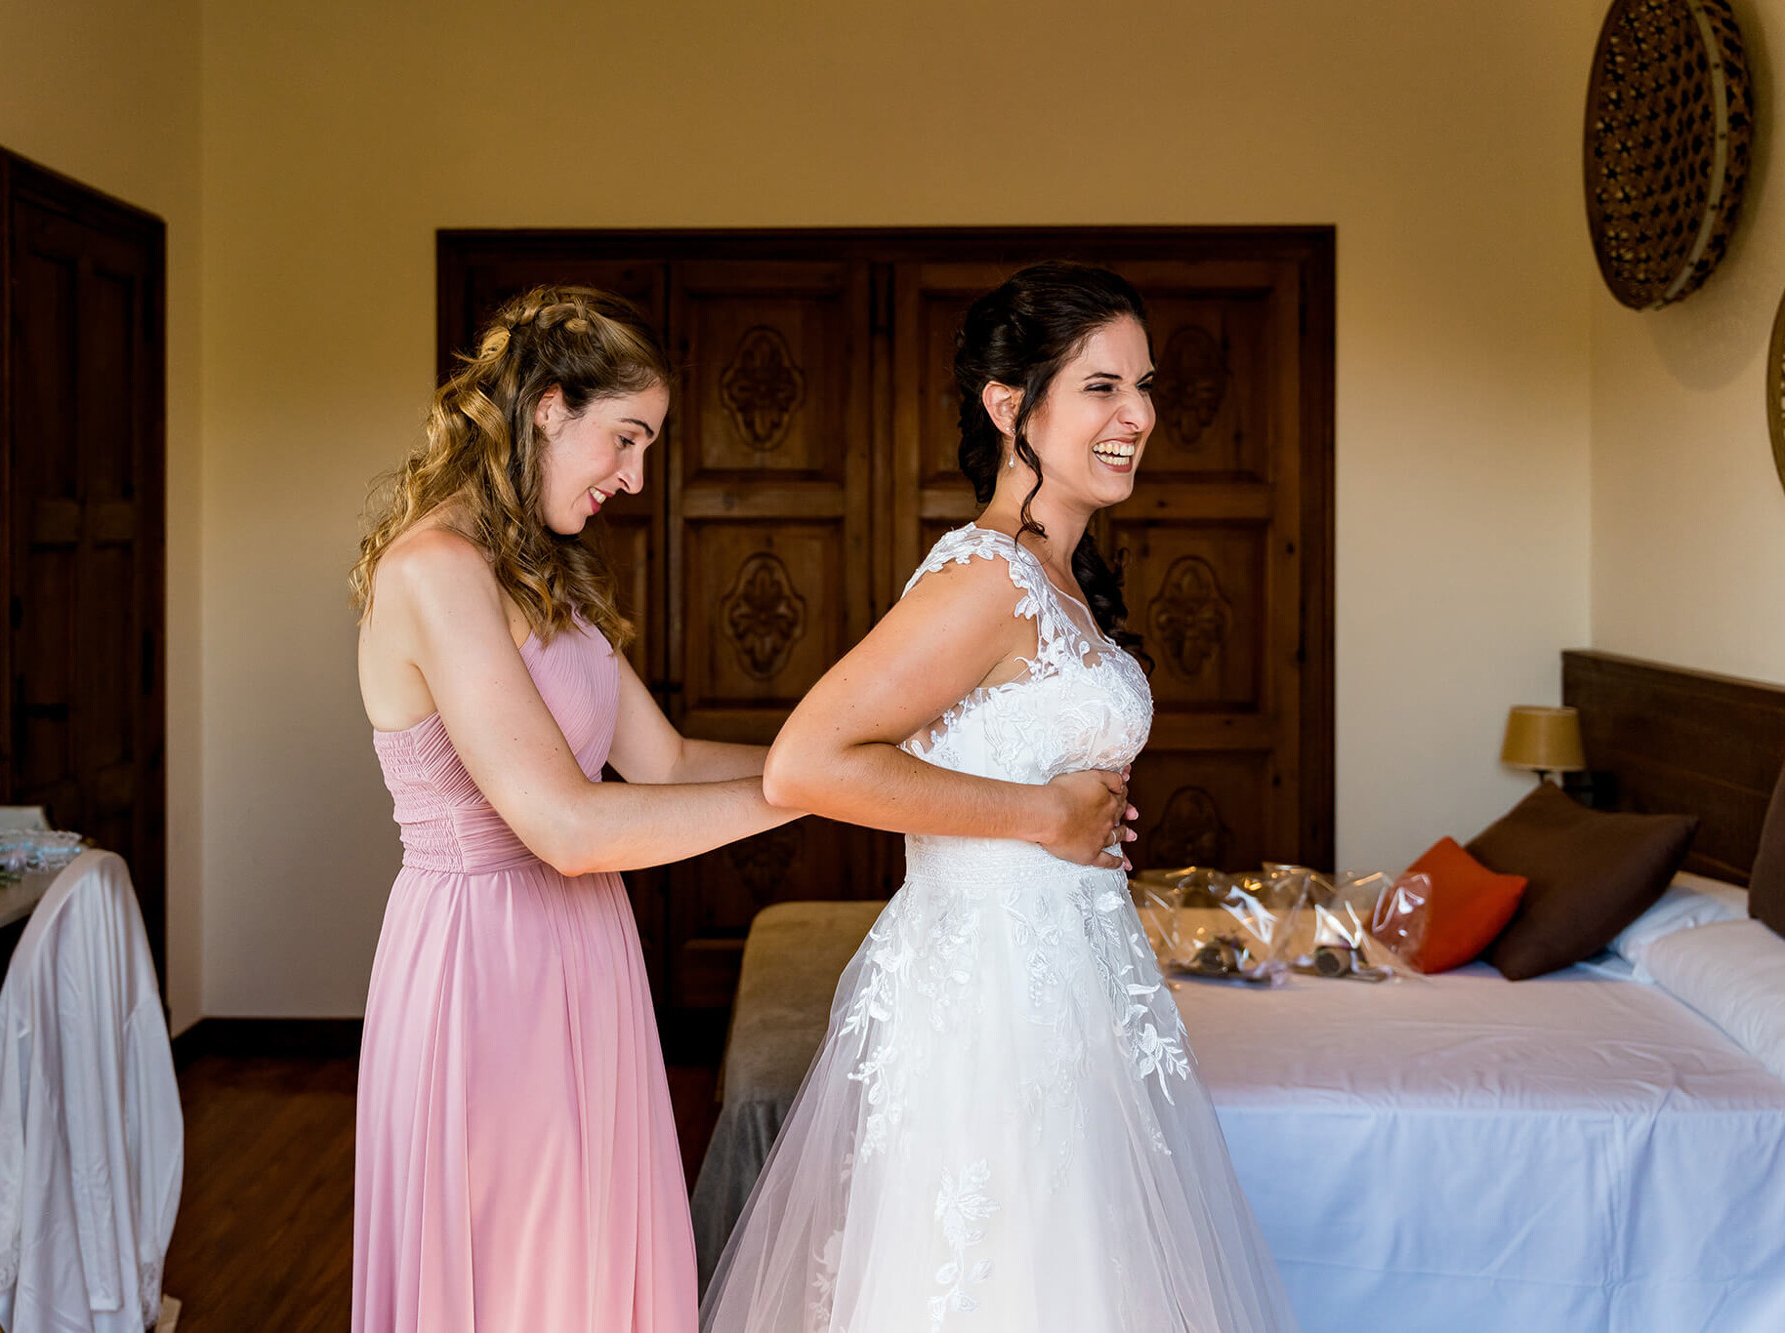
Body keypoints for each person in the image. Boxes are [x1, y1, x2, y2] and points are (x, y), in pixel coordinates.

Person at [703, 262, 1298, 1331]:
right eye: (1101, 388)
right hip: (987, 997)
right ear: (1008, 405)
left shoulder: (1062, 572)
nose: (1139, 416)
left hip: (1073, 975)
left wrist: (1078, 814)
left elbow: (1026, 764)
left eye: (1144, 386)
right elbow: (807, 761)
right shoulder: (984, 576)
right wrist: (1042, 815)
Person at [346, 286, 790, 1333]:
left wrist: (860, 759)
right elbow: (567, 826)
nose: (634, 477)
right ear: (548, 407)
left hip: (585, 950)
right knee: (516, 1279)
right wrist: (823, 792)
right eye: (625, 438)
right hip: (479, 970)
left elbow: (665, 759)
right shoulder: (432, 572)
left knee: (593, 1266)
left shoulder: (546, 577)